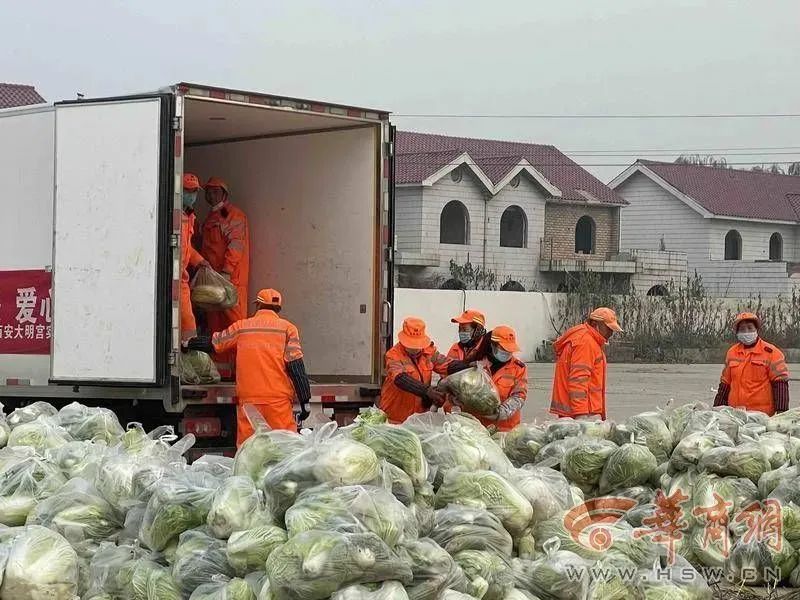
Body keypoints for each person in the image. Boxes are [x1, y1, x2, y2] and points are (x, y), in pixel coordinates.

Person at [186, 288, 310, 446]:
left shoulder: (242, 327)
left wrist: (188, 343)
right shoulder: (288, 329)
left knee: (248, 449)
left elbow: (214, 343)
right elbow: (296, 366)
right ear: (278, 308)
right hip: (278, 402)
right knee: (285, 447)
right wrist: (305, 399)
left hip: (249, 402)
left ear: (258, 305)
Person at [200, 177, 250, 378]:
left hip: (230, 282)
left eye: (215, 192)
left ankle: (242, 372)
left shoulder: (233, 216)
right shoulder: (211, 218)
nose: (211, 195)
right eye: (209, 192)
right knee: (217, 330)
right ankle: (223, 373)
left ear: (224, 194)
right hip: (215, 281)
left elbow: (236, 245)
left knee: (235, 327)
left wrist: (227, 272)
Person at [380, 317, 469, 424]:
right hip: (395, 417)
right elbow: (400, 378)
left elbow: (447, 365)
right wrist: (426, 391)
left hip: (419, 417)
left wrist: (469, 365)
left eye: (417, 344)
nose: (415, 348)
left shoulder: (429, 352)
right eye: (410, 344)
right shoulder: (393, 355)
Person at [550, 307, 622, 421]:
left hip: (582, 411)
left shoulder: (589, 339)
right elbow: (578, 380)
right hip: (580, 414)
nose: (611, 332)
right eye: (608, 328)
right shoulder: (585, 342)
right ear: (595, 323)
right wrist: (581, 415)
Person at [452, 325, 528, 432]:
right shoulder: (477, 366)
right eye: (503, 349)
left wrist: (500, 412)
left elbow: (519, 396)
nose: (507, 352)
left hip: (505, 430)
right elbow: (461, 390)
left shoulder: (519, 368)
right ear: (493, 345)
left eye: (510, 349)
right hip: (476, 427)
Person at [713, 312, 789, 415]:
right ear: (737, 332)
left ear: (756, 329)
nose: (746, 332)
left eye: (750, 328)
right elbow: (725, 384)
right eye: (742, 329)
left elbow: (780, 384)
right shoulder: (732, 352)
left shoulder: (771, 352)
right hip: (735, 414)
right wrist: (716, 410)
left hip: (761, 416)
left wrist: (782, 412)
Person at [179, 173, 207, 341]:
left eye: (195, 191)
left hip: (182, 277)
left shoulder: (188, 216)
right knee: (187, 322)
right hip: (177, 277)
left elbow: (186, 247)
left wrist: (199, 261)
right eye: (188, 191)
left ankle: (189, 351)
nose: (192, 195)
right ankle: (189, 351)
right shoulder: (177, 216)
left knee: (188, 321)